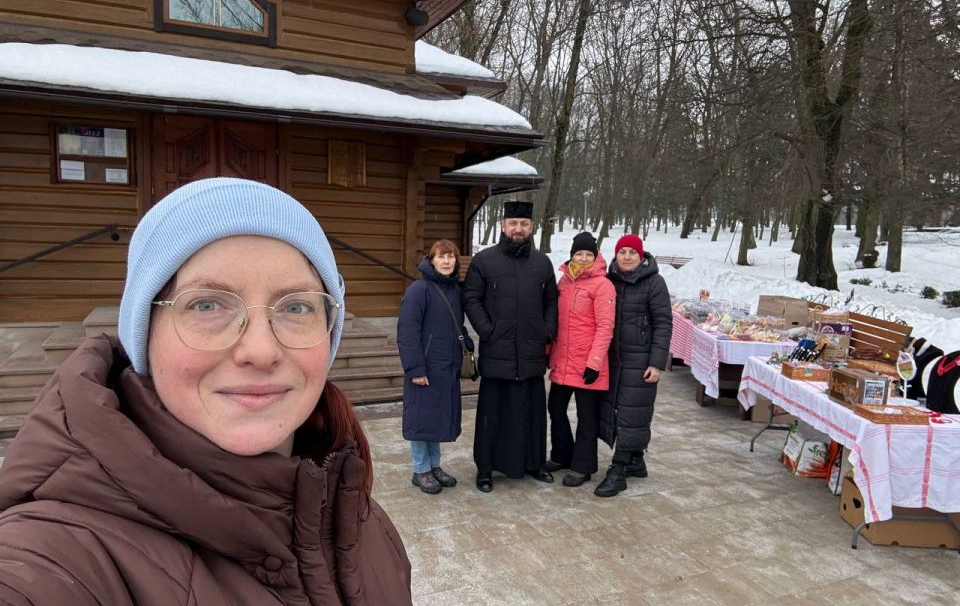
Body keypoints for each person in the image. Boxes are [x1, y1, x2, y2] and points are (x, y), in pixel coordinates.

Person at [0, 178, 412, 604]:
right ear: (146, 333)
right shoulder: (58, 556)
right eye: (207, 304)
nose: (261, 351)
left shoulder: (357, 520)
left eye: (296, 306)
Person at [462, 201, 559, 492]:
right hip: (498, 353)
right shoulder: (485, 261)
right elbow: (471, 298)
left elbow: (551, 301)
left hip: (530, 353)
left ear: (532, 227)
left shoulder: (542, 263)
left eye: (524, 224)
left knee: (532, 414)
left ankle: (534, 463)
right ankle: (486, 469)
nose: (518, 229)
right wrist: (487, 330)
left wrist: (546, 330)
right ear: (503, 225)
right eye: (513, 223)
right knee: (493, 416)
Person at [595, 233, 673, 498]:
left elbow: (663, 324)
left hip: (640, 361)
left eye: (632, 253)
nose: (627, 257)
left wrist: (656, 363)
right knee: (616, 409)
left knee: (630, 414)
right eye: (622, 252)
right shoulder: (609, 281)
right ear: (615, 255)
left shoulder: (654, 283)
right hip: (613, 359)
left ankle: (618, 470)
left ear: (641, 256)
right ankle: (635, 460)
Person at [397, 239, 472, 494]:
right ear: (432, 260)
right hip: (425, 368)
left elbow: (456, 326)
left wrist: (466, 347)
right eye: (441, 256)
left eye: (451, 257)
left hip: (446, 368)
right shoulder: (419, 290)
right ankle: (420, 470)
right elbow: (407, 332)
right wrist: (415, 369)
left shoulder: (455, 290)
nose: (447, 261)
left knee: (435, 419)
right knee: (421, 420)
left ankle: (434, 466)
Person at [544, 232, 616, 487]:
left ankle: (582, 466)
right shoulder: (564, 282)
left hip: (588, 364)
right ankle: (562, 454)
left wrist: (594, 362)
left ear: (595, 256)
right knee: (555, 408)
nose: (583, 258)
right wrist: (548, 351)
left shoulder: (603, 285)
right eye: (579, 254)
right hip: (563, 360)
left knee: (587, 417)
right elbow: (555, 320)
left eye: (588, 254)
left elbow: (605, 327)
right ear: (571, 255)